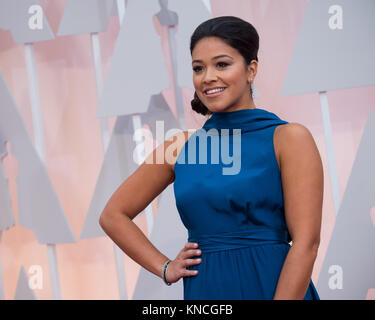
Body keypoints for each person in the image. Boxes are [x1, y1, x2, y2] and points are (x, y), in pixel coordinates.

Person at [99, 16, 323, 300]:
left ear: (251, 69)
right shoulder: (179, 147)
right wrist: (165, 267)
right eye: (198, 68)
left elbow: (307, 244)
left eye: (222, 64)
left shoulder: (289, 138)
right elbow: (112, 215)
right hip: (207, 290)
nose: (208, 77)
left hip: (274, 287)